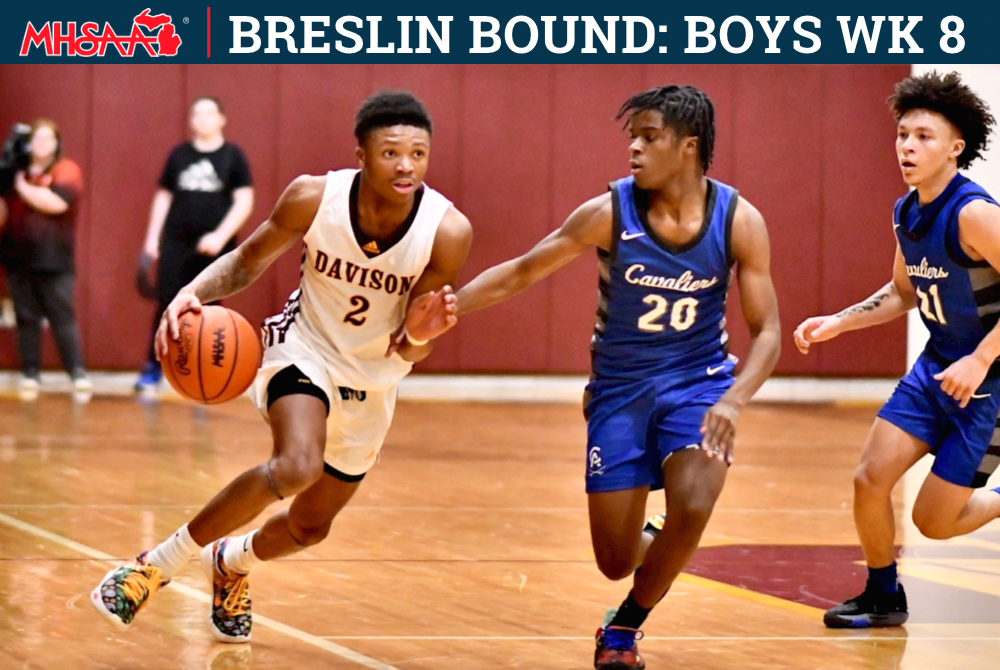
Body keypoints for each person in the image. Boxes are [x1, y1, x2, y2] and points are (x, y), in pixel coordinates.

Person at [91, 91, 472, 643]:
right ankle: (154, 565)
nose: (406, 165)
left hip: (373, 381)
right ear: (361, 154)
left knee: (310, 527)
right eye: (391, 152)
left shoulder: (447, 230)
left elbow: (412, 346)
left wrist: (419, 336)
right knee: (295, 465)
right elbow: (247, 261)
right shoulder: (314, 196)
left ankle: (232, 563)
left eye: (419, 153)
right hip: (303, 350)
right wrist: (189, 292)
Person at [456, 85, 781, 669]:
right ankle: (655, 537)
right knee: (614, 559)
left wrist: (733, 400)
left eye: (648, 137)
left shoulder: (739, 219)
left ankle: (623, 630)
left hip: (699, 385)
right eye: (632, 136)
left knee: (696, 505)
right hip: (620, 394)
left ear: (688, 147)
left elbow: (770, 333)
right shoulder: (610, 211)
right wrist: (448, 308)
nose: (633, 148)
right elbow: (522, 271)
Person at [794, 71, 1000, 628]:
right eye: (903, 135)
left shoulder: (974, 214)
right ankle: (884, 595)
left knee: (934, 521)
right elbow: (903, 291)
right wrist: (839, 322)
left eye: (924, 136)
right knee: (869, 479)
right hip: (936, 371)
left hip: (990, 383)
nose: (908, 146)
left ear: (956, 147)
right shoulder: (907, 212)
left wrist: (981, 358)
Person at [135, 96, 254, 392]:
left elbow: (244, 200)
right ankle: (154, 366)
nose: (202, 119)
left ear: (222, 118)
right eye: (196, 114)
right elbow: (163, 197)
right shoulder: (179, 155)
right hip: (176, 242)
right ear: (190, 120)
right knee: (167, 303)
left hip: (215, 248)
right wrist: (152, 239)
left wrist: (220, 236)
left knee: (209, 309)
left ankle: (204, 374)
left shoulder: (233, 156)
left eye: (208, 113)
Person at [0, 118, 90, 399]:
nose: (41, 144)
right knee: (26, 317)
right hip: (18, 257)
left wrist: (22, 186)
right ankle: (30, 373)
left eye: (47, 139)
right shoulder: (15, 171)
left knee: (62, 317)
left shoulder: (67, 170)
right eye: (36, 139)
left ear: (56, 143)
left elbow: (55, 202)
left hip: (55, 259)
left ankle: (76, 373)